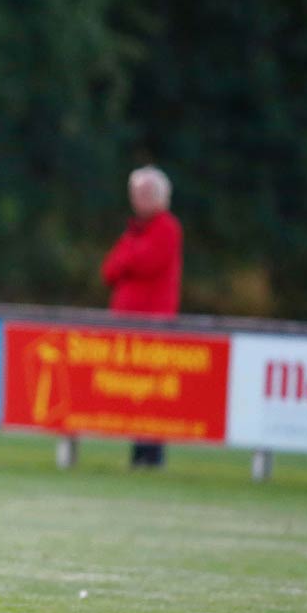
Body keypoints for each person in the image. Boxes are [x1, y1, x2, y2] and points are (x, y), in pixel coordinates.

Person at [100, 165, 183, 468]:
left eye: (146, 193)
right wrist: (127, 259)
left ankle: (152, 454)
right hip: (128, 325)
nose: (139, 199)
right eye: (135, 193)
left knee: (152, 393)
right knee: (133, 391)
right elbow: (109, 270)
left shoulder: (166, 228)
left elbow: (145, 263)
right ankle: (139, 453)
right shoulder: (134, 230)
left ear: (162, 196)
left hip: (153, 326)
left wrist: (127, 258)